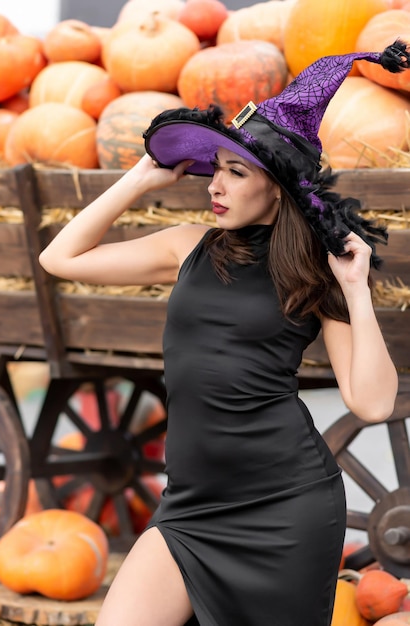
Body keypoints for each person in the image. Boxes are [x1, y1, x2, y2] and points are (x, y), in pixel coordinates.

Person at [39, 41, 408, 626]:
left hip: (285, 507)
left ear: (278, 186)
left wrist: (358, 289)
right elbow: (61, 258)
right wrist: (137, 180)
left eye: (236, 172)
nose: (215, 183)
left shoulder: (315, 271)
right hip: (189, 507)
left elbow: (374, 400)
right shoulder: (189, 246)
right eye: (216, 168)